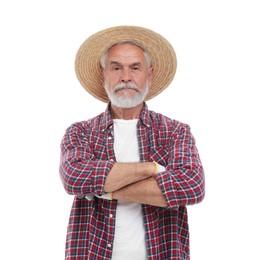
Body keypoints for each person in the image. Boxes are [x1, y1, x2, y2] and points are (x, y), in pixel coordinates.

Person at [59, 25, 205, 260]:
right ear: (103, 74)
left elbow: (192, 186)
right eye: (116, 68)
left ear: (150, 73)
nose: (125, 77)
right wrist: (152, 169)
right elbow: (74, 178)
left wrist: (105, 190)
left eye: (135, 68)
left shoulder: (175, 131)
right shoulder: (81, 132)